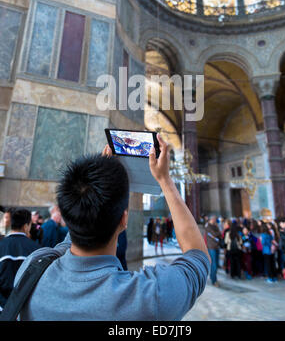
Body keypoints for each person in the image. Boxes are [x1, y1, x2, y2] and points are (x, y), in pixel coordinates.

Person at [14, 134, 210, 321]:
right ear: (123, 220)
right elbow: (199, 256)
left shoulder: (32, 268)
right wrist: (165, 181)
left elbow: (75, 232)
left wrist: (96, 178)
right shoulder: (147, 299)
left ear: (65, 216)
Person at [0, 208, 39, 310]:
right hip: (27, 307)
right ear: (26, 226)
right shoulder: (37, 249)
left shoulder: (1, 246)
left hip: (3, 307)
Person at [205, 215, 222, 287]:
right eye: (215, 219)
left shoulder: (215, 226)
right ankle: (214, 280)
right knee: (213, 264)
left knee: (216, 264)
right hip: (211, 247)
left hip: (217, 246)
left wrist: (217, 234)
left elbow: (220, 234)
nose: (216, 220)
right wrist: (217, 234)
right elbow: (215, 234)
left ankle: (213, 277)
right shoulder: (208, 226)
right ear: (212, 219)